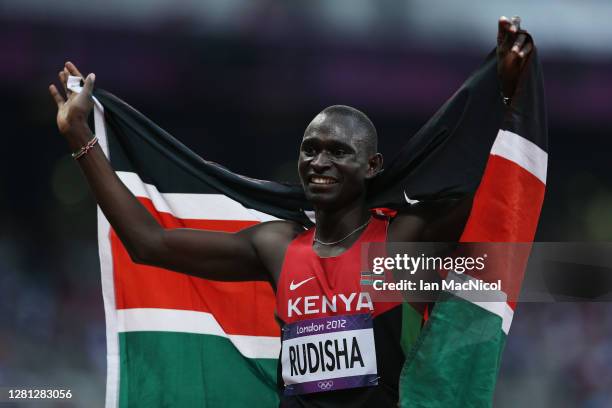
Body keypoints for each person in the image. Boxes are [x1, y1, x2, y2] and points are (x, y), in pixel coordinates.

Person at [49, 16, 533, 407]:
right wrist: (81, 140)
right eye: (310, 149)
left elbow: (478, 179)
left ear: (372, 167)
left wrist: (504, 94)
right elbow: (147, 243)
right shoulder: (277, 247)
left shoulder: (397, 243)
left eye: (338, 151)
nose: (319, 162)